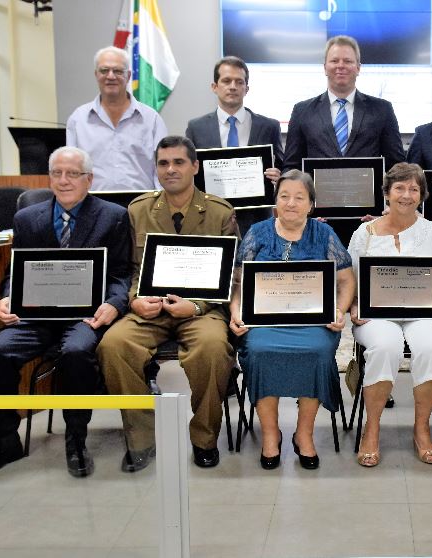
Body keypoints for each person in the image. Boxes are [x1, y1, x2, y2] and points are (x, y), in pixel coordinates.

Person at [0, 146, 132, 478]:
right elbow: (16, 272)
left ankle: (76, 440)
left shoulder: (113, 216)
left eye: (72, 174)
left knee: (75, 352)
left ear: (89, 179)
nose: (64, 180)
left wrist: (113, 305)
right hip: (37, 316)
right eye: (57, 173)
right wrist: (8, 297)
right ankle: (3, 443)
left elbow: (122, 274)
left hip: (86, 315)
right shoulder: (27, 218)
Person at [97, 135, 238, 472]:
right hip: (151, 308)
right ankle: (142, 439)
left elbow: (233, 275)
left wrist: (198, 307)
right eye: (163, 163)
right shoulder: (139, 209)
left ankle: (204, 439)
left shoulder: (220, 212)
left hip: (200, 309)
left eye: (178, 162)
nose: (170, 169)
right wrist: (135, 301)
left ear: (195, 166)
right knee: (113, 345)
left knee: (212, 348)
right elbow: (130, 268)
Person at [230, 170, 356, 470]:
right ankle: (271, 434)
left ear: (311, 204)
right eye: (284, 196)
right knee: (259, 352)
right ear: (275, 201)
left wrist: (339, 311)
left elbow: (347, 281)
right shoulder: (258, 233)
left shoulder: (323, 234)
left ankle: (304, 433)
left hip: (314, 322)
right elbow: (237, 283)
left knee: (318, 351)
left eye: (299, 197)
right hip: (263, 322)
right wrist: (235, 311)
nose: (290, 203)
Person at [346, 163, 432, 467]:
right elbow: (350, 278)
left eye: (414, 189)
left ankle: (422, 428)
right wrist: (354, 304)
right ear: (387, 193)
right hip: (375, 315)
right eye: (400, 188)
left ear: (422, 195)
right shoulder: (363, 233)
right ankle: (372, 428)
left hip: (424, 314)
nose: (406, 195)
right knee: (385, 346)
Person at [281, 35, 405, 172]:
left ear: (358, 68)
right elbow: (291, 166)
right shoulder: (302, 111)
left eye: (347, 61)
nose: (341, 66)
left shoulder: (382, 110)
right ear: (325, 67)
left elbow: (397, 167)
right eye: (334, 61)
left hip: (368, 193)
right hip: (317, 193)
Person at [66, 46, 167, 191]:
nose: (111, 76)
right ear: (96, 74)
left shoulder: (152, 120)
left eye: (118, 71)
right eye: (104, 70)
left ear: (129, 76)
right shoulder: (78, 120)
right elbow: (71, 169)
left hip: (142, 206)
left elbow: (163, 167)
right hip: (93, 207)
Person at [185, 56, 283, 177]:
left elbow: (282, 167)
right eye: (226, 81)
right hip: (209, 196)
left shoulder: (270, 127)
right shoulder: (196, 128)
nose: (233, 87)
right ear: (214, 87)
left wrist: (280, 178)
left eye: (239, 82)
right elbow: (188, 169)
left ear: (246, 89)